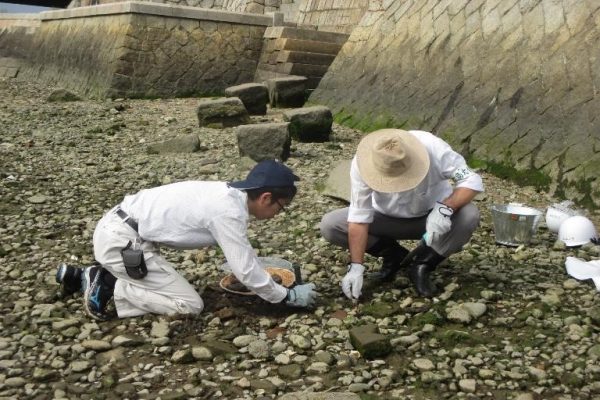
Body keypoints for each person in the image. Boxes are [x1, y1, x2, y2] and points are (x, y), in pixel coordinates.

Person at [56, 160, 319, 321]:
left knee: (167, 286)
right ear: (265, 198)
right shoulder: (227, 212)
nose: (278, 214)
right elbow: (245, 269)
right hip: (122, 242)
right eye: (281, 207)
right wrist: (285, 295)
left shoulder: (227, 194)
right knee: (190, 305)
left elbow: (242, 253)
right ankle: (109, 283)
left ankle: (82, 276)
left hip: (121, 229)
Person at [320, 129, 483, 299]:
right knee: (331, 224)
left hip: (433, 218)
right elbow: (358, 217)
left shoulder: (434, 148)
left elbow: (471, 179)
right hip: (385, 219)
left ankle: (423, 264)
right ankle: (394, 255)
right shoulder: (363, 163)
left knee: (469, 214)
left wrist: (446, 208)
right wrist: (356, 266)